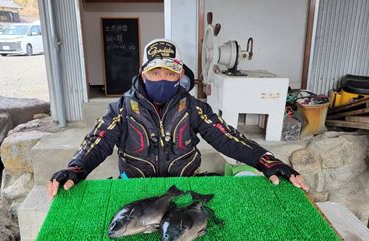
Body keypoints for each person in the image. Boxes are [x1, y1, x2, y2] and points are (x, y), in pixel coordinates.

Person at [48, 39, 308, 198]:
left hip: (184, 188)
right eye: (155, 72)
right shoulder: (121, 109)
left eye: (170, 74)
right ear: (142, 73)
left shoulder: (194, 108)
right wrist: (75, 167)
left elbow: (228, 138)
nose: (163, 79)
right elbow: (98, 140)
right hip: (134, 190)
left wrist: (266, 161)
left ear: (180, 75)